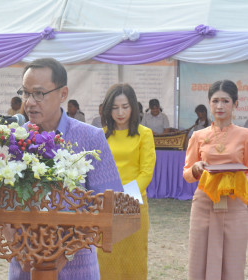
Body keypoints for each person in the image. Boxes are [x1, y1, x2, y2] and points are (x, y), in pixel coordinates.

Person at [10, 58, 123, 280]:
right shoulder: (15, 139)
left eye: (39, 94)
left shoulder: (91, 138)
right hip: (24, 263)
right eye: (25, 93)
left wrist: (63, 255)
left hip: (76, 265)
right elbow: (2, 202)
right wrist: (19, 247)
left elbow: (110, 205)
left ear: (63, 94)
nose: (30, 102)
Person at [183, 80, 248, 280]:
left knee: (233, 259)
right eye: (215, 101)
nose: (220, 106)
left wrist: (236, 176)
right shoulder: (198, 135)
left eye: (225, 101)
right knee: (199, 258)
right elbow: (186, 174)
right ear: (209, 103)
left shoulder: (244, 135)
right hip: (204, 202)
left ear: (235, 104)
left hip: (235, 203)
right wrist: (195, 168)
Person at [97, 84, 156, 279]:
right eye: (115, 107)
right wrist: (108, 200)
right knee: (106, 260)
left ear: (133, 107)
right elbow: (97, 171)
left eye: (125, 106)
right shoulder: (101, 135)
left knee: (134, 261)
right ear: (107, 109)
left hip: (134, 205)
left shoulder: (144, 133)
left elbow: (146, 172)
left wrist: (123, 199)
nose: (120, 112)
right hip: (106, 205)